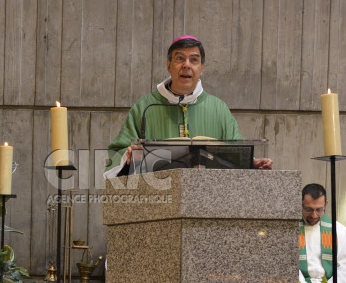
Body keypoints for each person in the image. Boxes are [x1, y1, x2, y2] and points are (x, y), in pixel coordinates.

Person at [103, 35, 272, 178]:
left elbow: (236, 150)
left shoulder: (218, 109)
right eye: (179, 58)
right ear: (169, 65)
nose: (187, 65)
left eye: (194, 60)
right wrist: (128, 155)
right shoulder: (145, 107)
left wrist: (253, 162)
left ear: (202, 68)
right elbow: (116, 154)